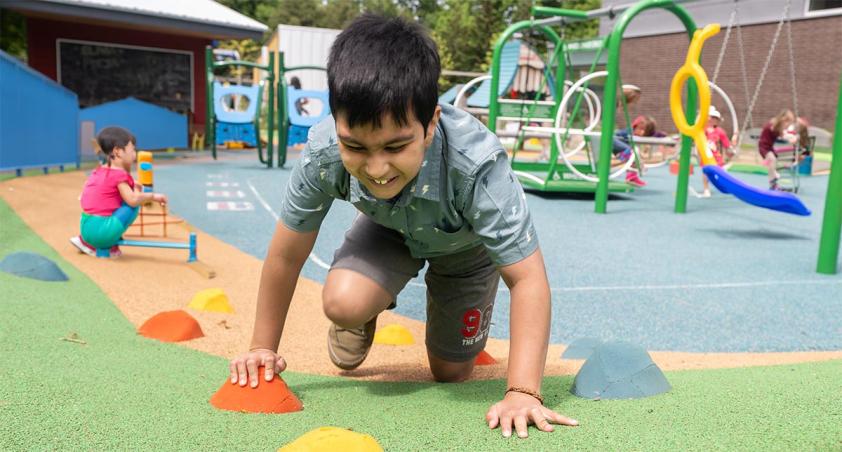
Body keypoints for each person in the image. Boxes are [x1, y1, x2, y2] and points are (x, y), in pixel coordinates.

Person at [228, 14, 578, 439]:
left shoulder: (477, 165)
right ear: (335, 120)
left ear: (431, 123)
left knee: (451, 372)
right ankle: (364, 311)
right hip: (387, 230)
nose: (376, 169)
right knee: (341, 302)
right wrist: (262, 348)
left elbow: (527, 280)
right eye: (355, 146)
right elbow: (286, 255)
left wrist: (523, 391)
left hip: (465, 251)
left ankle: (456, 326)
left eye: (396, 146)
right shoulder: (323, 153)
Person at [69, 127, 168, 257]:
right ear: (118, 152)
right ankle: (107, 243)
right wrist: (153, 196)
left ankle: (89, 241)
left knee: (122, 198)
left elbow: (90, 194)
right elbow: (132, 200)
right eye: (132, 150)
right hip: (101, 233)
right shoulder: (120, 176)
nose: (134, 154)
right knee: (133, 204)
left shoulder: (99, 171)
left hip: (86, 227)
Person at [758, 109, 796, 190]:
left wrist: (791, 137)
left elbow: (783, 134)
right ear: (783, 120)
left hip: (769, 147)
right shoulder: (773, 125)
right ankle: (772, 182)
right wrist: (790, 137)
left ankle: (773, 177)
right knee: (772, 159)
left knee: (773, 160)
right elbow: (781, 134)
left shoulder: (777, 126)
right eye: (787, 124)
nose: (787, 126)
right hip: (764, 146)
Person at [613, 114, 655, 187]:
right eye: (640, 129)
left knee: (634, 152)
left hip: (622, 150)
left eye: (643, 130)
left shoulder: (634, 135)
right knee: (633, 151)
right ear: (635, 127)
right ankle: (632, 175)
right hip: (615, 146)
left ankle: (632, 176)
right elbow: (615, 136)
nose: (641, 132)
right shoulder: (629, 131)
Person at [700, 106, 732, 197]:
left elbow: (726, 143)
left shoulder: (720, 131)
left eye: (715, 119)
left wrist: (730, 149)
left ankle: (726, 186)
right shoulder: (702, 130)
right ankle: (706, 189)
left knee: (719, 173)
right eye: (711, 118)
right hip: (706, 155)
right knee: (705, 172)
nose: (712, 120)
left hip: (717, 156)